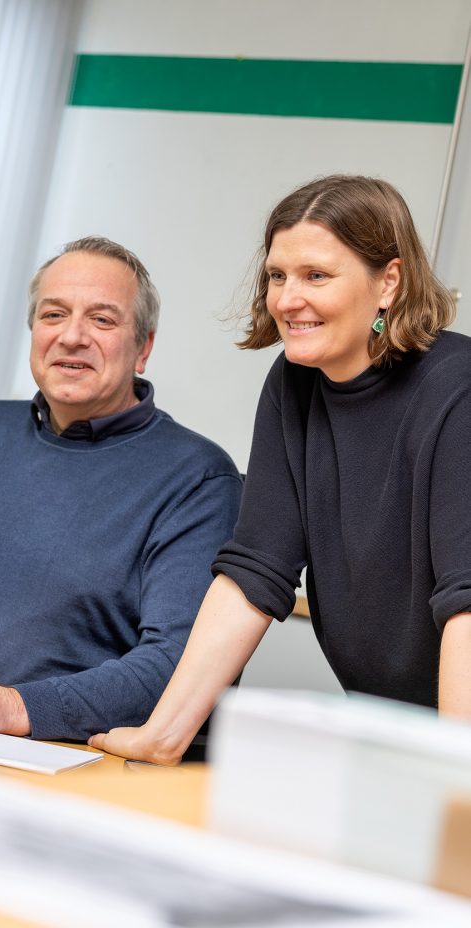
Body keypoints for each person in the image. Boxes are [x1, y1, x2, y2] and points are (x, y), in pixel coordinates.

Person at [89, 174, 471, 765]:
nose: (288, 299)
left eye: (316, 275)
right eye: (277, 275)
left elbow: (468, 601)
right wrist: (163, 734)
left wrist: (455, 778)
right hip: (402, 738)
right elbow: (255, 570)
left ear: (388, 281)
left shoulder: (457, 390)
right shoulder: (296, 383)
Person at [0, 236, 243, 740]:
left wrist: (12, 706)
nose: (72, 336)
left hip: (52, 754)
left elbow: (181, 666)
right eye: (54, 315)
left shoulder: (198, 479)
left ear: (143, 347)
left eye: (102, 319)